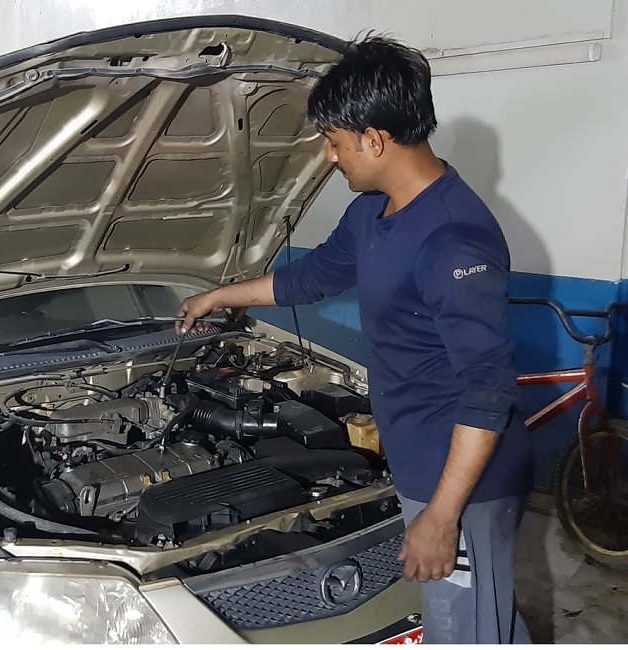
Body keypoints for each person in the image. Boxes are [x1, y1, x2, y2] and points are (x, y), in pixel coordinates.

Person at [176, 34, 533, 645]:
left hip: (465, 481)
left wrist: (441, 517)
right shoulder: (374, 210)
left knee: (463, 628)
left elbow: (487, 391)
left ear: (375, 139)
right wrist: (220, 296)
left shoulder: (453, 242)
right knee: (485, 616)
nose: (328, 157)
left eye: (335, 142)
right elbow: (310, 278)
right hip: (419, 458)